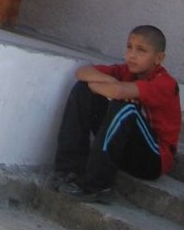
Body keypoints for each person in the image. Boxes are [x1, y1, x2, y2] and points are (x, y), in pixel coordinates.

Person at [52, 24, 181, 201]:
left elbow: (119, 92)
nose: (132, 55)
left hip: (153, 159)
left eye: (141, 50)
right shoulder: (126, 71)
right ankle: (68, 169)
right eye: (129, 47)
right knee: (82, 89)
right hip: (126, 151)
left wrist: (102, 86)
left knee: (125, 108)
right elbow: (82, 72)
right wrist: (108, 81)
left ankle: (97, 185)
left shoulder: (165, 83)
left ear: (158, 58)